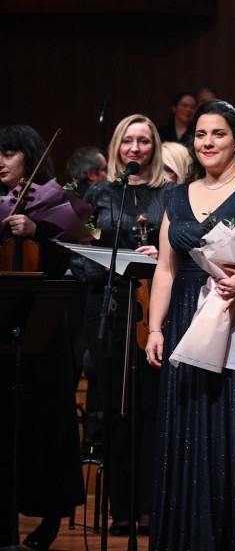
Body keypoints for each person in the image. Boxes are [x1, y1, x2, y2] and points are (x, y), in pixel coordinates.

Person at [144, 99, 235, 550]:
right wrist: (155, 328)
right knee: (191, 426)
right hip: (188, 320)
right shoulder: (175, 196)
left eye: (218, 134)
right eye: (200, 135)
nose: (207, 142)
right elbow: (165, 269)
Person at [72, 114, 175, 538]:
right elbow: (79, 256)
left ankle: (150, 507)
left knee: (151, 411)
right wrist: (112, 262)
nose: (135, 148)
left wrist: (162, 256)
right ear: (117, 146)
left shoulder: (170, 193)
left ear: (154, 146)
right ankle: (121, 508)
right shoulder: (99, 193)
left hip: (155, 311)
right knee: (115, 410)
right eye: (128, 141)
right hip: (109, 309)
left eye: (144, 141)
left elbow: (185, 251)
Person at [0, 125, 86, 550]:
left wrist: (36, 232)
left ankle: (52, 516)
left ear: (30, 157)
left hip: (42, 329)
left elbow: (73, 259)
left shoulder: (53, 201)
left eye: (9, 153)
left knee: (46, 423)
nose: (0, 161)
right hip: (2, 328)